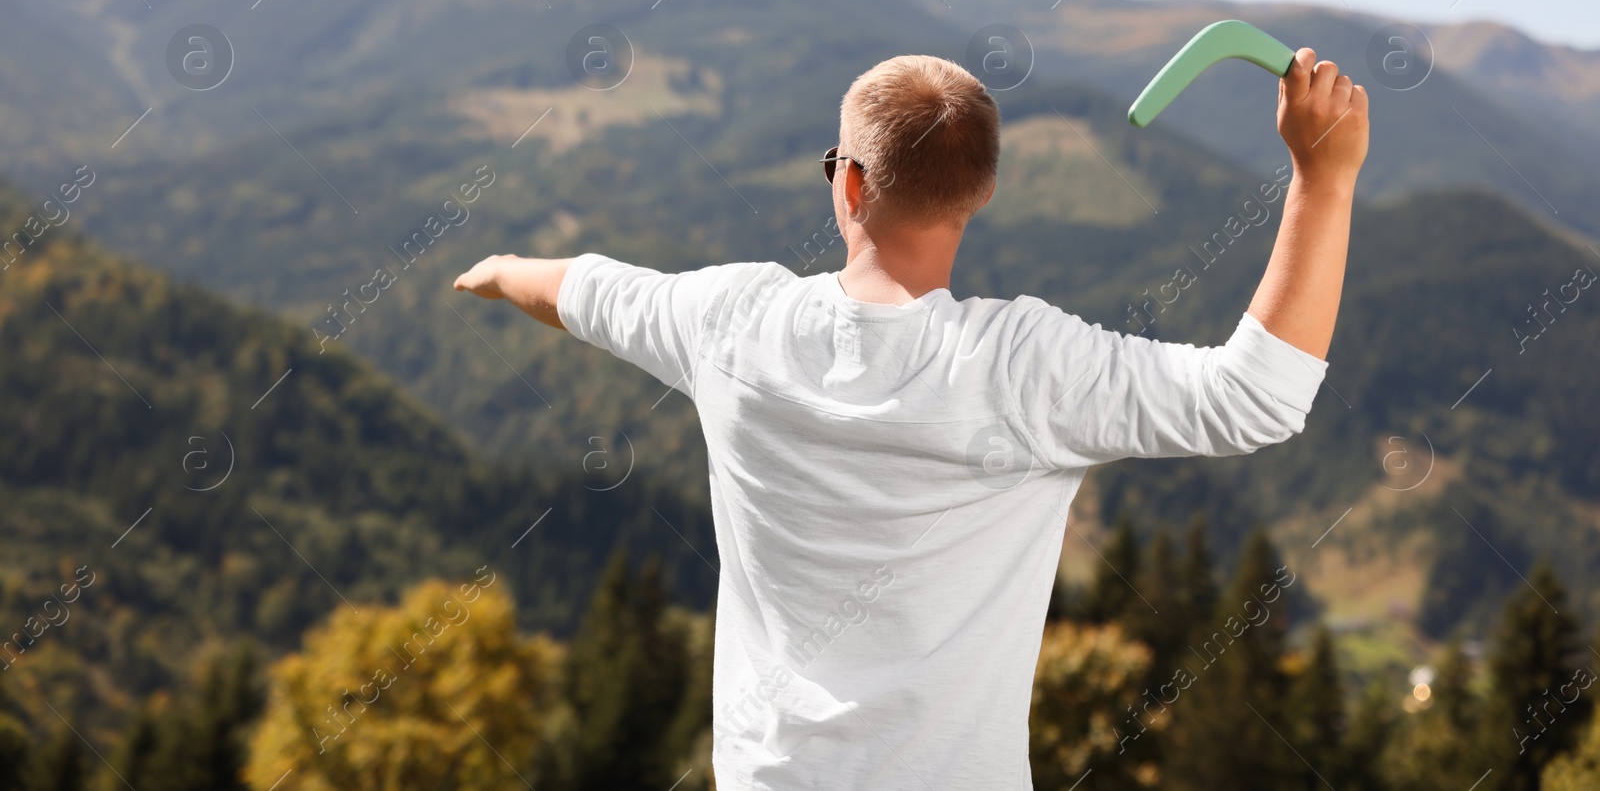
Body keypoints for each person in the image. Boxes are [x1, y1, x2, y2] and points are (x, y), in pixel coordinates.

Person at [454, 49, 1369, 789]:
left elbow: (579, 285)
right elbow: (1256, 394)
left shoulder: (732, 322)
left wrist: (496, 267)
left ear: (848, 184)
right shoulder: (1023, 366)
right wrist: (1320, 180)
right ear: (979, 192)